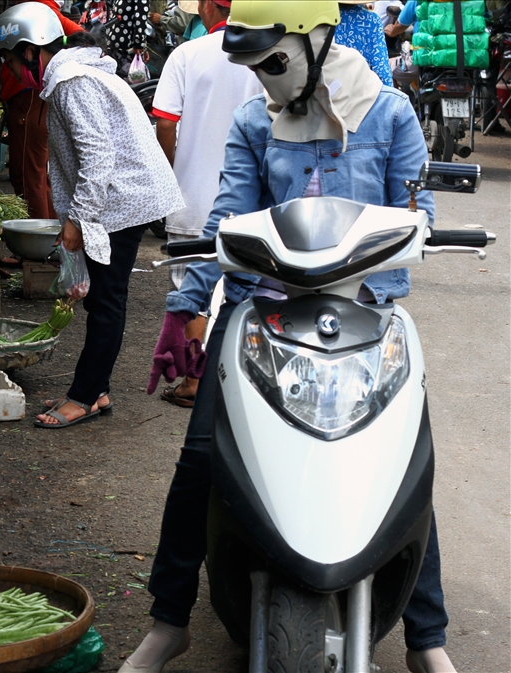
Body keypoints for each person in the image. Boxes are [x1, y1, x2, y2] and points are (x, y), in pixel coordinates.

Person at [126, 2, 456, 672]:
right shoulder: (255, 121)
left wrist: (419, 224)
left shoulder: (389, 113)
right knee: (199, 459)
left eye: (274, 63)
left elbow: (417, 207)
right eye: (256, 67)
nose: (266, 82)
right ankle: (168, 620)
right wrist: (185, 304)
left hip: (365, 316)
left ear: (317, 42)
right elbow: (227, 218)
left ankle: (428, 638)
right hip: (262, 312)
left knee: (403, 465)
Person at [0, 4, 184, 428]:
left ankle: (84, 395)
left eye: (9, 59)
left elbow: (98, 155)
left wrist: (77, 219)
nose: (11, 70)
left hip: (124, 200)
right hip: (122, 197)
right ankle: (95, 390)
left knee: (105, 303)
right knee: (101, 300)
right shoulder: (75, 75)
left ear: (31, 51)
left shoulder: (72, 82)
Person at [147, 0, 260, 408]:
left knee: (191, 292)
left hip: (193, 197)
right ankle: (237, 381)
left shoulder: (187, 54)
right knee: (243, 292)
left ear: (211, 7)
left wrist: (172, 175)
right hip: (250, 201)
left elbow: (165, 122)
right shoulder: (265, 53)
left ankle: (195, 382)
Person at [0, 0, 83, 220]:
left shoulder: (40, 7)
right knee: (35, 173)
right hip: (27, 95)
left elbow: (81, 37)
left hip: (30, 96)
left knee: (29, 173)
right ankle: (49, 239)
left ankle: (36, 242)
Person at [337, 1, 394, 85]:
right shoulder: (372, 20)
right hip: (362, 89)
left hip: (328, 90)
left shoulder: (321, 21)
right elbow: (381, 69)